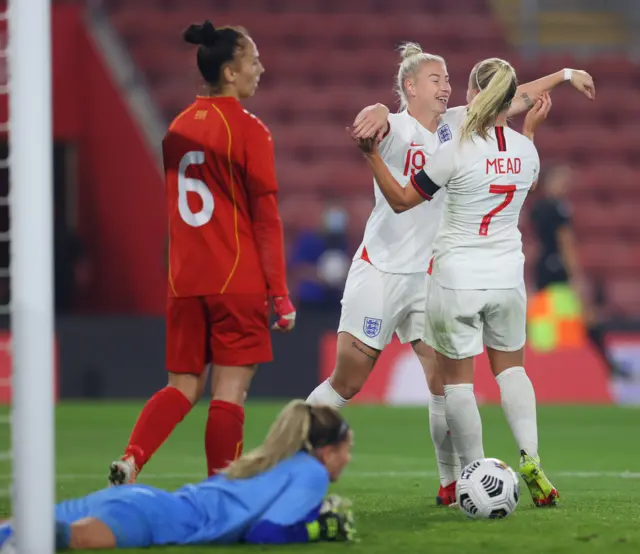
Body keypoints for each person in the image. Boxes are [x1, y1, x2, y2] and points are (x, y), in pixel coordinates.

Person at [307, 41, 594, 506]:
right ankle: (283, 452)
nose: (446, 86)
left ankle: (455, 480)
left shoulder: (459, 125)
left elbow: (513, 94)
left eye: (448, 79)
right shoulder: (396, 124)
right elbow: (377, 117)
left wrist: (564, 74)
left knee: (443, 383)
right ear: (410, 87)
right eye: (436, 79)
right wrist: (377, 107)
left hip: (431, 278)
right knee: (349, 382)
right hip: (382, 269)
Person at [352, 57, 559, 508]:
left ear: (474, 97)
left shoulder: (454, 152)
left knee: (458, 385)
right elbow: (513, 162)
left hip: (456, 278)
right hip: (507, 278)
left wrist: (371, 156)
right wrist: (532, 130)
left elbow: (403, 200)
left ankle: (474, 474)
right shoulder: (529, 152)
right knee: (513, 371)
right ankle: (531, 457)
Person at [108, 20, 296, 486]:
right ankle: (220, 492)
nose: (260, 69)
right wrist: (280, 294)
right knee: (229, 392)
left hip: (186, 281)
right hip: (237, 279)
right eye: (253, 61)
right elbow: (266, 221)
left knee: (182, 387)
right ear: (230, 72)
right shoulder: (251, 131)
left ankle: (133, 458)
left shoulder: (176, 128)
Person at [0, 401, 356, 551]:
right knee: (58, 540)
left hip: (142, 501)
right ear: (326, 451)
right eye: (345, 449)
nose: (348, 458)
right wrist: (319, 528)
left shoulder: (272, 460)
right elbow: (265, 531)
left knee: (19, 525)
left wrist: (312, 512)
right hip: (157, 519)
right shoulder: (312, 472)